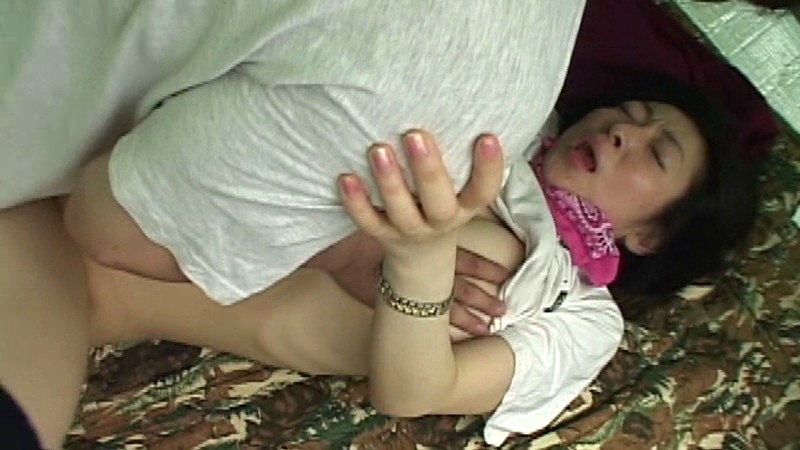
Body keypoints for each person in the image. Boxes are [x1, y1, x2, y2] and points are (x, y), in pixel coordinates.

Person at [76, 73, 756, 447]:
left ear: (652, 237)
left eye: (655, 152)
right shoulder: (513, 112)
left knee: (502, 257)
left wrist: (418, 266)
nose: (624, 130)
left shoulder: (581, 312)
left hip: (110, 279)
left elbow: (413, 393)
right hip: (133, 154)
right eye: (629, 111)